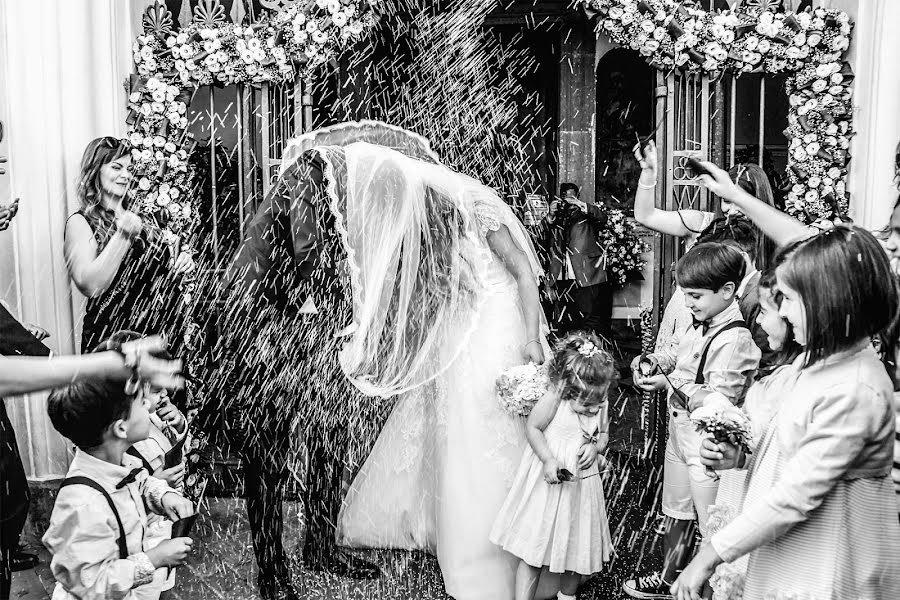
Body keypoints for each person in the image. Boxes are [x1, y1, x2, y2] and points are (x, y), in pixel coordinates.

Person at [206, 121, 449, 599]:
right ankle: (270, 570)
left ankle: (319, 543)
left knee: (331, 428)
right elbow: (307, 254)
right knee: (267, 450)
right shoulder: (305, 174)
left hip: (304, 325)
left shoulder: (346, 190)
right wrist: (347, 307)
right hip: (257, 325)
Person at [334, 141, 549, 600]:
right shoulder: (437, 211)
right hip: (460, 326)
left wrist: (531, 338)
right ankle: (451, 526)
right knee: (450, 430)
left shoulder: (480, 207)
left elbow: (525, 274)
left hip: (498, 326)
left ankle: (499, 546)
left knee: (485, 427)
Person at [672, 226, 900, 600]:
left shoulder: (854, 387)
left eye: (792, 299)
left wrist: (712, 553)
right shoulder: (822, 362)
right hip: (798, 549)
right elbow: (782, 444)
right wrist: (740, 456)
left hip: (832, 560)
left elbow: (798, 492)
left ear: (830, 301)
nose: (784, 311)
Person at [624, 243, 760, 599]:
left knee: (712, 525)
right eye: (686, 295)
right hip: (678, 435)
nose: (688, 303)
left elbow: (719, 404)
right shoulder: (700, 323)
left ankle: (707, 588)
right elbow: (679, 355)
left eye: (695, 296)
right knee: (676, 510)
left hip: (707, 448)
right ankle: (670, 578)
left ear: (728, 291)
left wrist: (670, 383)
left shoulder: (735, 340)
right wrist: (653, 361)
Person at [42, 376, 194, 600]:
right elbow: (90, 584)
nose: (149, 407)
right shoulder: (82, 504)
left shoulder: (117, 462)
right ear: (121, 428)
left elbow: (139, 479)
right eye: (142, 402)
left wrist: (163, 495)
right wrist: (154, 559)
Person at [490, 331, 615, 600]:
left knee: (576, 549)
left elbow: (603, 434)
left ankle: (567, 596)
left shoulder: (598, 398)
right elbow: (533, 428)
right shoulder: (555, 399)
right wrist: (548, 458)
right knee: (534, 550)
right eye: (586, 407)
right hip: (548, 486)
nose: (593, 411)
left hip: (581, 489)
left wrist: (596, 448)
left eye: (597, 406)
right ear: (568, 388)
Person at [702, 269, 802, 599]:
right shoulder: (777, 371)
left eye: (765, 312)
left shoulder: (793, 381)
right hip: (744, 496)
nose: (758, 323)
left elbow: (782, 465)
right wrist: (735, 453)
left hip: (762, 515)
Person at [632, 142, 777, 359]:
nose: (734, 210)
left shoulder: (771, 240)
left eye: (744, 202)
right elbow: (646, 216)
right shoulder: (703, 224)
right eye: (727, 201)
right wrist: (648, 173)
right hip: (686, 324)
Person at [64, 137, 193, 354]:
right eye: (116, 167)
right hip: (115, 337)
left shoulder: (143, 217)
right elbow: (90, 286)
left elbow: (150, 276)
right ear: (95, 170)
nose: (126, 175)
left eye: (129, 168)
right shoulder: (81, 221)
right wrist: (122, 236)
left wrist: (179, 265)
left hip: (161, 332)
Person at [694, 219, 775, 371]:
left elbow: (766, 358)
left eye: (718, 260)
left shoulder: (758, 297)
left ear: (743, 258)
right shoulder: (737, 291)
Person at [539, 183, 612, 339]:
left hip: (586, 276)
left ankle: (591, 356)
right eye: (565, 198)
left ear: (577, 196)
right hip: (561, 277)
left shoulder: (586, 214)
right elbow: (541, 237)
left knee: (591, 321)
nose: (568, 201)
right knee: (564, 323)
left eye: (572, 197)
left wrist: (580, 205)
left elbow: (603, 218)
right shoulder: (556, 216)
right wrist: (550, 215)